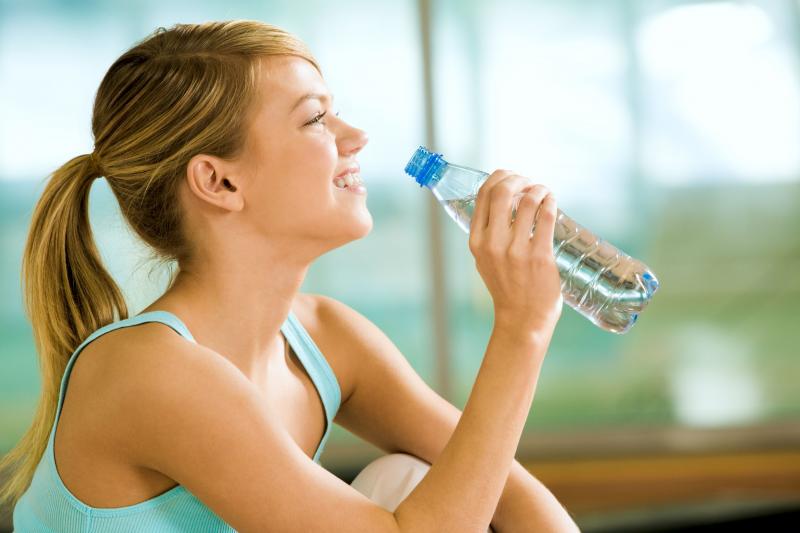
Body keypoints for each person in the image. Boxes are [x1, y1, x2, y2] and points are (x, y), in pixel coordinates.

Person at [0, 20, 579, 532]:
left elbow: (512, 493)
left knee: (408, 478)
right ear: (219, 182)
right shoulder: (150, 371)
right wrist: (521, 329)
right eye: (316, 119)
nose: (355, 137)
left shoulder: (327, 339)